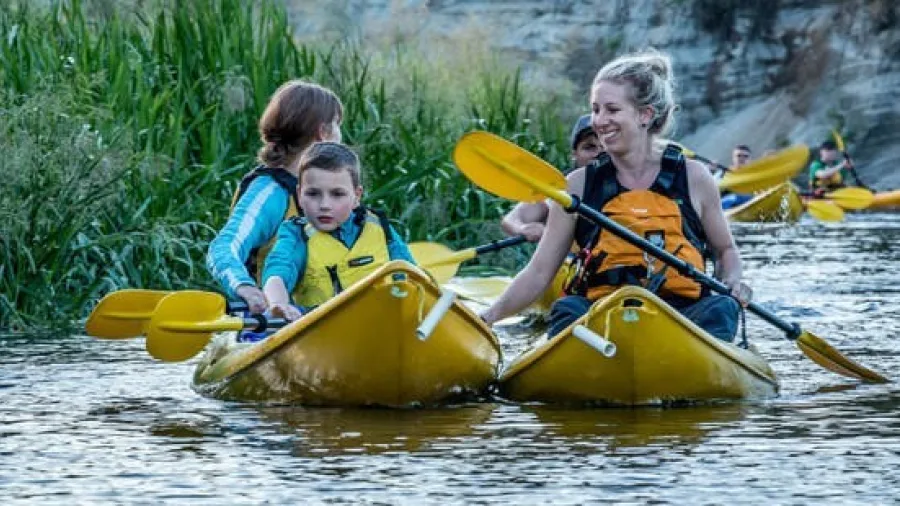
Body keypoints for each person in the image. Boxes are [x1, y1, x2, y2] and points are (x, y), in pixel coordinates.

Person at [480, 49, 752, 343]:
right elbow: (539, 272)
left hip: (684, 316)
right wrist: (489, 317)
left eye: (612, 109)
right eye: (596, 109)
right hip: (603, 315)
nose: (599, 120)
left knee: (721, 308)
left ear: (645, 115)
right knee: (568, 308)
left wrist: (733, 282)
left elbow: (726, 251)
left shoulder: (695, 177)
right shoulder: (577, 185)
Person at [206, 80, 343, 313]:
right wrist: (245, 288)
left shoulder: (330, 194)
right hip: (268, 322)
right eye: (338, 125)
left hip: (314, 314)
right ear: (323, 132)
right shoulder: (270, 192)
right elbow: (223, 247)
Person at [262, 142, 415, 321]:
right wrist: (277, 303)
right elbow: (277, 271)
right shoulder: (296, 234)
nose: (324, 205)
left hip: (382, 325)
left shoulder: (381, 228)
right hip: (320, 331)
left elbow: (412, 275)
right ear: (299, 194)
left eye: (337, 194)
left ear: (356, 196)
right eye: (313, 194)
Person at [500, 114, 603, 242]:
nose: (599, 154)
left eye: (605, 146)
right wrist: (522, 228)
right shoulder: (560, 188)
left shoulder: (629, 182)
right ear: (574, 154)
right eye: (589, 147)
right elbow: (512, 219)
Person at [720, 144, 754, 210]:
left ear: (750, 160)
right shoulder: (724, 175)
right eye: (738, 156)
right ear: (733, 158)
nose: (742, 159)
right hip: (731, 206)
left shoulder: (755, 174)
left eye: (745, 156)